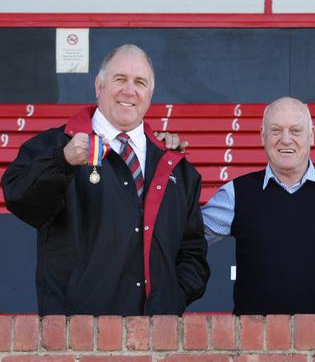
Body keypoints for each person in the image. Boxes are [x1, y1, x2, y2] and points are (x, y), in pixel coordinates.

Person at [1, 44, 210, 316]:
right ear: (99, 86)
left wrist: (171, 298)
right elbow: (21, 200)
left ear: (150, 94)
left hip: (157, 337)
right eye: (120, 79)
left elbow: (192, 252)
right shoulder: (56, 145)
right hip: (78, 336)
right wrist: (61, 161)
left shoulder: (177, 168)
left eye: (140, 82)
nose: (129, 91)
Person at [202, 96, 315, 315]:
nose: (285, 139)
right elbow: (187, 239)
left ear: (311, 135)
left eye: (295, 130)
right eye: (275, 130)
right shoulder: (235, 193)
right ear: (262, 136)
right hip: (254, 341)